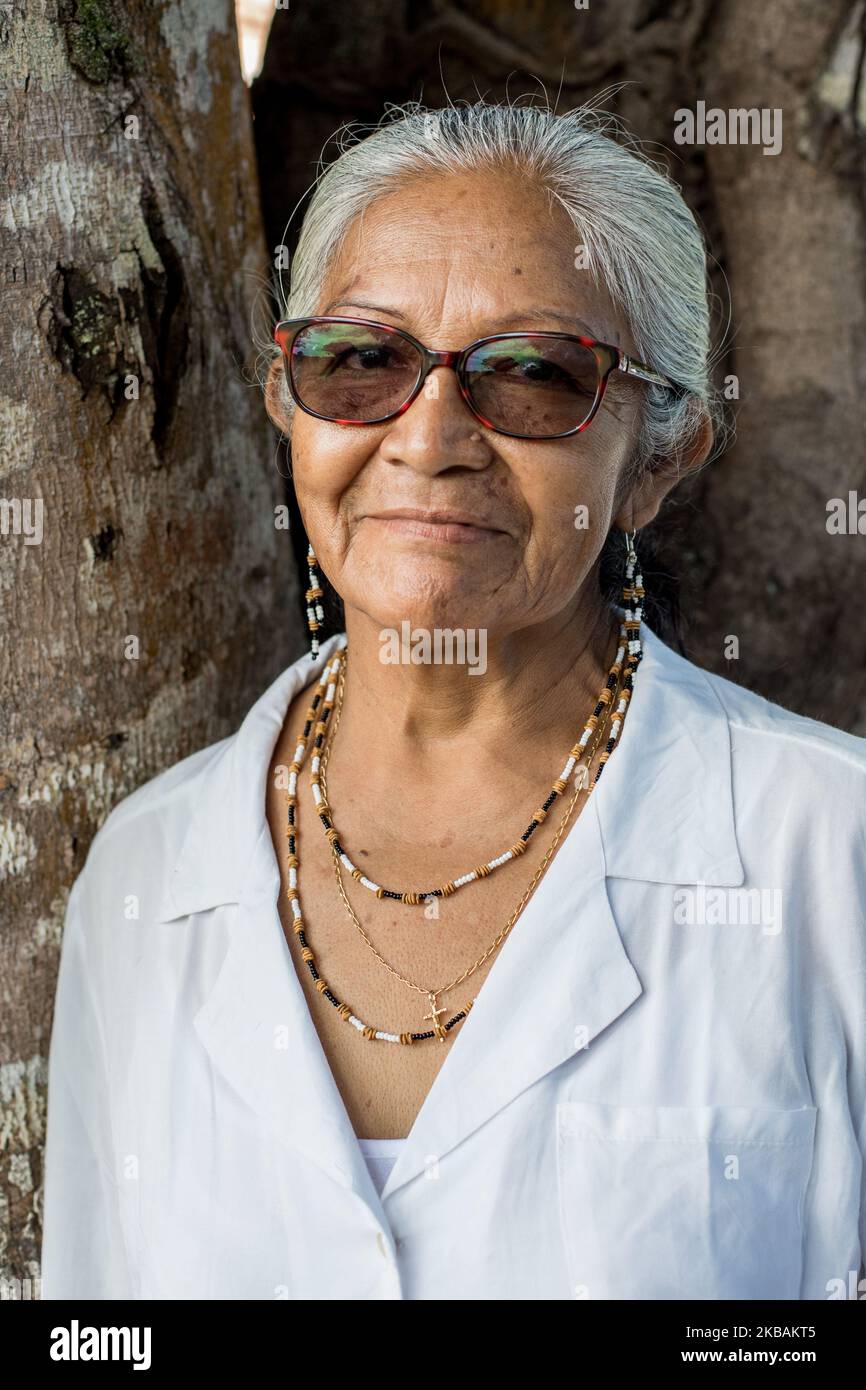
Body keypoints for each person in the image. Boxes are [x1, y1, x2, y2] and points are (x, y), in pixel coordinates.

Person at [41, 100, 866, 1301]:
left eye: (533, 375)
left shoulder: (827, 856)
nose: (429, 439)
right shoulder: (150, 874)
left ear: (656, 457)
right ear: (287, 400)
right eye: (361, 359)